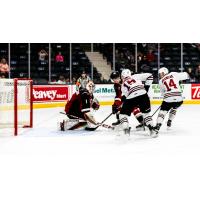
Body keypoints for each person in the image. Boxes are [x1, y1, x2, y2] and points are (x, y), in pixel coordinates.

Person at [116, 69, 158, 137]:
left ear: (122, 76)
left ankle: (126, 131)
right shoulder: (136, 76)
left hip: (131, 96)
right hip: (143, 94)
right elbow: (150, 76)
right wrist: (146, 88)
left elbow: (126, 97)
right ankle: (152, 130)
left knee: (122, 115)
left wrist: (120, 106)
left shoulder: (123, 85)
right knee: (146, 114)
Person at [155, 67, 189, 132]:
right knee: (174, 108)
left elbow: (163, 94)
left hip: (168, 98)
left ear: (164, 72)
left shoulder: (160, 81)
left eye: (160, 74)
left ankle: (158, 126)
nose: (160, 75)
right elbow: (186, 75)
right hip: (179, 99)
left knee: (163, 112)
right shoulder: (174, 74)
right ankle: (169, 121)